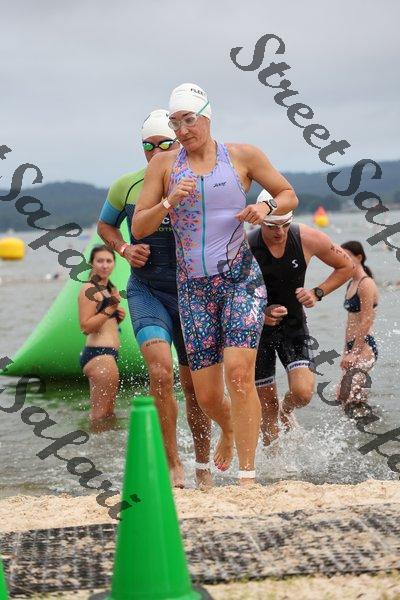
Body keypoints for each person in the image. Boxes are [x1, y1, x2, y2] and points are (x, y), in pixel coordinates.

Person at [132, 83, 298, 485]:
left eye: (190, 120)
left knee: (239, 374)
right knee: (206, 396)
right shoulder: (164, 166)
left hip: (241, 281)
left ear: (207, 116)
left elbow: (287, 194)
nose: (183, 129)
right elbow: (139, 227)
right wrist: (169, 201)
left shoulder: (242, 156)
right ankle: (229, 429)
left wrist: (264, 206)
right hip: (193, 289)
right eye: (176, 123)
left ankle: (247, 476)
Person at [97, 109, 211, 488]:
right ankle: (172, 465)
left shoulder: (199, 179)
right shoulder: (126, 186)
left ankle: (203, 464)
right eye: (148, 146)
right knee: (161, 373)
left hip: (192, 292)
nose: (156, 152)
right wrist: (125, 249)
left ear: (180, 142)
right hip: (148, 290)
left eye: (165, 144)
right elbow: (105, 225)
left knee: (196, 386)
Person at [248, 192, 354, 446]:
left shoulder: (307, 237)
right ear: (260, 221)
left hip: (293, 325)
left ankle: (287, 410)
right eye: (272, 226)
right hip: (256, 330)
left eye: (285, 224)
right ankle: (274, 462)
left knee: (303, 393)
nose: (280, 232)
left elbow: (346, 266)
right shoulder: (245, 246)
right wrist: (259, 313)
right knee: (267, 407)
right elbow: (227, 289)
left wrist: (317, 292)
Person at [78, 245, 125, 431]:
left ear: (114, 263)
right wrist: (110, 309)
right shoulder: (89, 289)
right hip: (99, 355)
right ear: (92, 263)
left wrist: (116, 318)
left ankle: (104, 448)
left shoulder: (107, 288)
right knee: (100, 416)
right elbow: (85, 327)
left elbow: (101, 323)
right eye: (100, 261)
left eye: (108, 261)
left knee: (108, 415)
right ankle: (95, 448)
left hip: (107, 355)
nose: (105, 265)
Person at [338, 241, 379, 418]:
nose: (343, 259)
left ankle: (368, 426)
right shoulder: (351, 283)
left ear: (359, 257)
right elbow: (350, 323)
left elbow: (366, 320)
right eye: (341, 255)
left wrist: (354, 352)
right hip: (351, 347)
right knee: (343, 396)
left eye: (347, 255)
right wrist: (345, 351)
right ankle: (368, 424)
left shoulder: (366, 283)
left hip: (365, 346)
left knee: (349, 394)